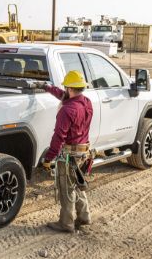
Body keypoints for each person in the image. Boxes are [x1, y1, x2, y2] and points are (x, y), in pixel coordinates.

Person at [35, 70, 93, 233]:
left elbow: (59, 137)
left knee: (66, 189)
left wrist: (49, 158)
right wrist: (47, 87)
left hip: (69, 155)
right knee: (77, 184)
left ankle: (66, 223)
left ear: (69, 88)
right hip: (83, 152)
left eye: (66, 88)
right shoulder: (86, 102)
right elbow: (62, 95)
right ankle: (84, 216)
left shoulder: (67, 110)